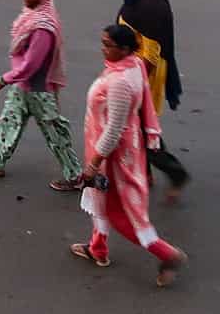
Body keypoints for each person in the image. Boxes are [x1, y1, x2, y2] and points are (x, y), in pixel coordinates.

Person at [70, 24, 186, 287]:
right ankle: (97, 249)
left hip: (112, 158)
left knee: (120, 216)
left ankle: (168, 254)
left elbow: (113, 131)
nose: (103, 48)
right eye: (102, 42)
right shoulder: (132, 65)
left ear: (124, 49)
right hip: (120, 149)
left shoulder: (121, 82)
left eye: (107, 44)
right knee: (101, 202)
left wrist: (93, 164)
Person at [0, 0, 81, 189]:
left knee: (54, 133)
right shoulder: (31, 18)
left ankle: (75, 176)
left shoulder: (43, 28)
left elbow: (31, 65)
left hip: (38, 90)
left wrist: (4, 80)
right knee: (7, 124)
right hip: (22, 86)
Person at [116, 0, 190, 196]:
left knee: (142, 129)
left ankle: (175, 172)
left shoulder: (150, 9)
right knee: (134, 127)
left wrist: (133, 84)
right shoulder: (136, 1)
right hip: (129, 72)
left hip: (144, 76)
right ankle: (144, 175)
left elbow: (150, 56)